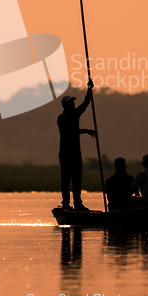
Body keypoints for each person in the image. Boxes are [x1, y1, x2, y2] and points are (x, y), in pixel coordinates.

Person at [57, 80, 96, 211]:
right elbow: (70, 131)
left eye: (73, 102)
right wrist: (86, 130)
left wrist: (89, 88)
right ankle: (66, 203)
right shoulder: (61, 118)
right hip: (66, 154)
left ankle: (78, 203)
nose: (74, 104)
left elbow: (86, 102)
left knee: (77, 179)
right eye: (71, 102)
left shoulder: (75, 114)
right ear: (65, 105)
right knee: (66, 179)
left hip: (76, 153)